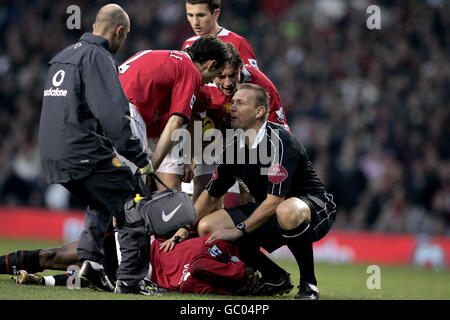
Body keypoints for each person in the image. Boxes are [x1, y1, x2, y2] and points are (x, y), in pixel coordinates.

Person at [162, 84, 337, 299]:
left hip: (312, 207)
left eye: (240, 103)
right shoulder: (233, 147)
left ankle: (309, 284)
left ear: (259, 111)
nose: (232, 107)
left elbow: (275, 201)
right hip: (271, 209)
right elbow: (211, 194)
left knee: (285, 210)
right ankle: (275, 277)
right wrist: (186, 227)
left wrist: (239, 230)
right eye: (232, 102)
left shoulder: (281, 142)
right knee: (208, 226)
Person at [38, 4, 157, 295]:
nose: (123, 42)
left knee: (102, 195)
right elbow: (114, 117)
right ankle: (130, 281)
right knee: (132, 195)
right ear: (119, 31)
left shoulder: (64, 56)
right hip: (79, 150)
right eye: (125, 36)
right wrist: (139, 158)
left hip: (52, 153)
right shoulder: (98, 57)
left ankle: (92, 264)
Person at [118, 35, 229, 190]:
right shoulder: (190, 70)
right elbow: (175, 123)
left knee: (118, 193)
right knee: (128, 194)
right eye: (216, 74)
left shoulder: (154, 55)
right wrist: (151, 168)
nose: (211, 82)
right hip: (128, 117)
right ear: (211, 64)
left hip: (106, 112)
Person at [191, 43, 289, 206]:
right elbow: (192, 118)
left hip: (247, 135)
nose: (228, 83)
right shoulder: (202, 83)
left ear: (241, 69)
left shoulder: (262, 87)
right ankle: (197, 228)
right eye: (221, 77)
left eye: (232, 76)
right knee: (203, 187)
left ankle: (246, 226)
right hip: (211, 130)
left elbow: (278, 131)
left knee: (250, 188)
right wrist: (191, 156)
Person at [9, 236, 258, 296]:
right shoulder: (222, 245)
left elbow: (200, 268)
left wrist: (237, 275)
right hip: (137, 262)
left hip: (135, 256)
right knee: (82, 273)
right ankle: (44, 280)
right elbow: (198, 271)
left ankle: (43, 280)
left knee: (55, 257)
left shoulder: (218, 247)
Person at [182, 0, 258, 69]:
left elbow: (254, 78)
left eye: (201, 15)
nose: (195, 22)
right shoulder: (188, 44)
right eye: (190, 15)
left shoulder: (239, 43)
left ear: (216, 14)